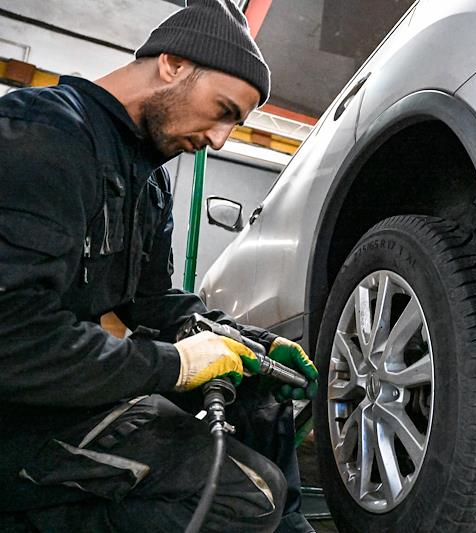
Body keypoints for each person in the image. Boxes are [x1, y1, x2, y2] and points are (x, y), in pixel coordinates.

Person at [0, 1, 318, 531]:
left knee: (259, 393)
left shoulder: (147, 181)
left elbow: (153, 304)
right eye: (223, 110)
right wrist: (174, 365)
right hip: (15, 415)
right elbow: (12, 336)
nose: (218, 140)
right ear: (171, 64)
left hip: (61, 394)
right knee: (242, 498)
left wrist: (249, 346)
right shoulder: (44, 137)